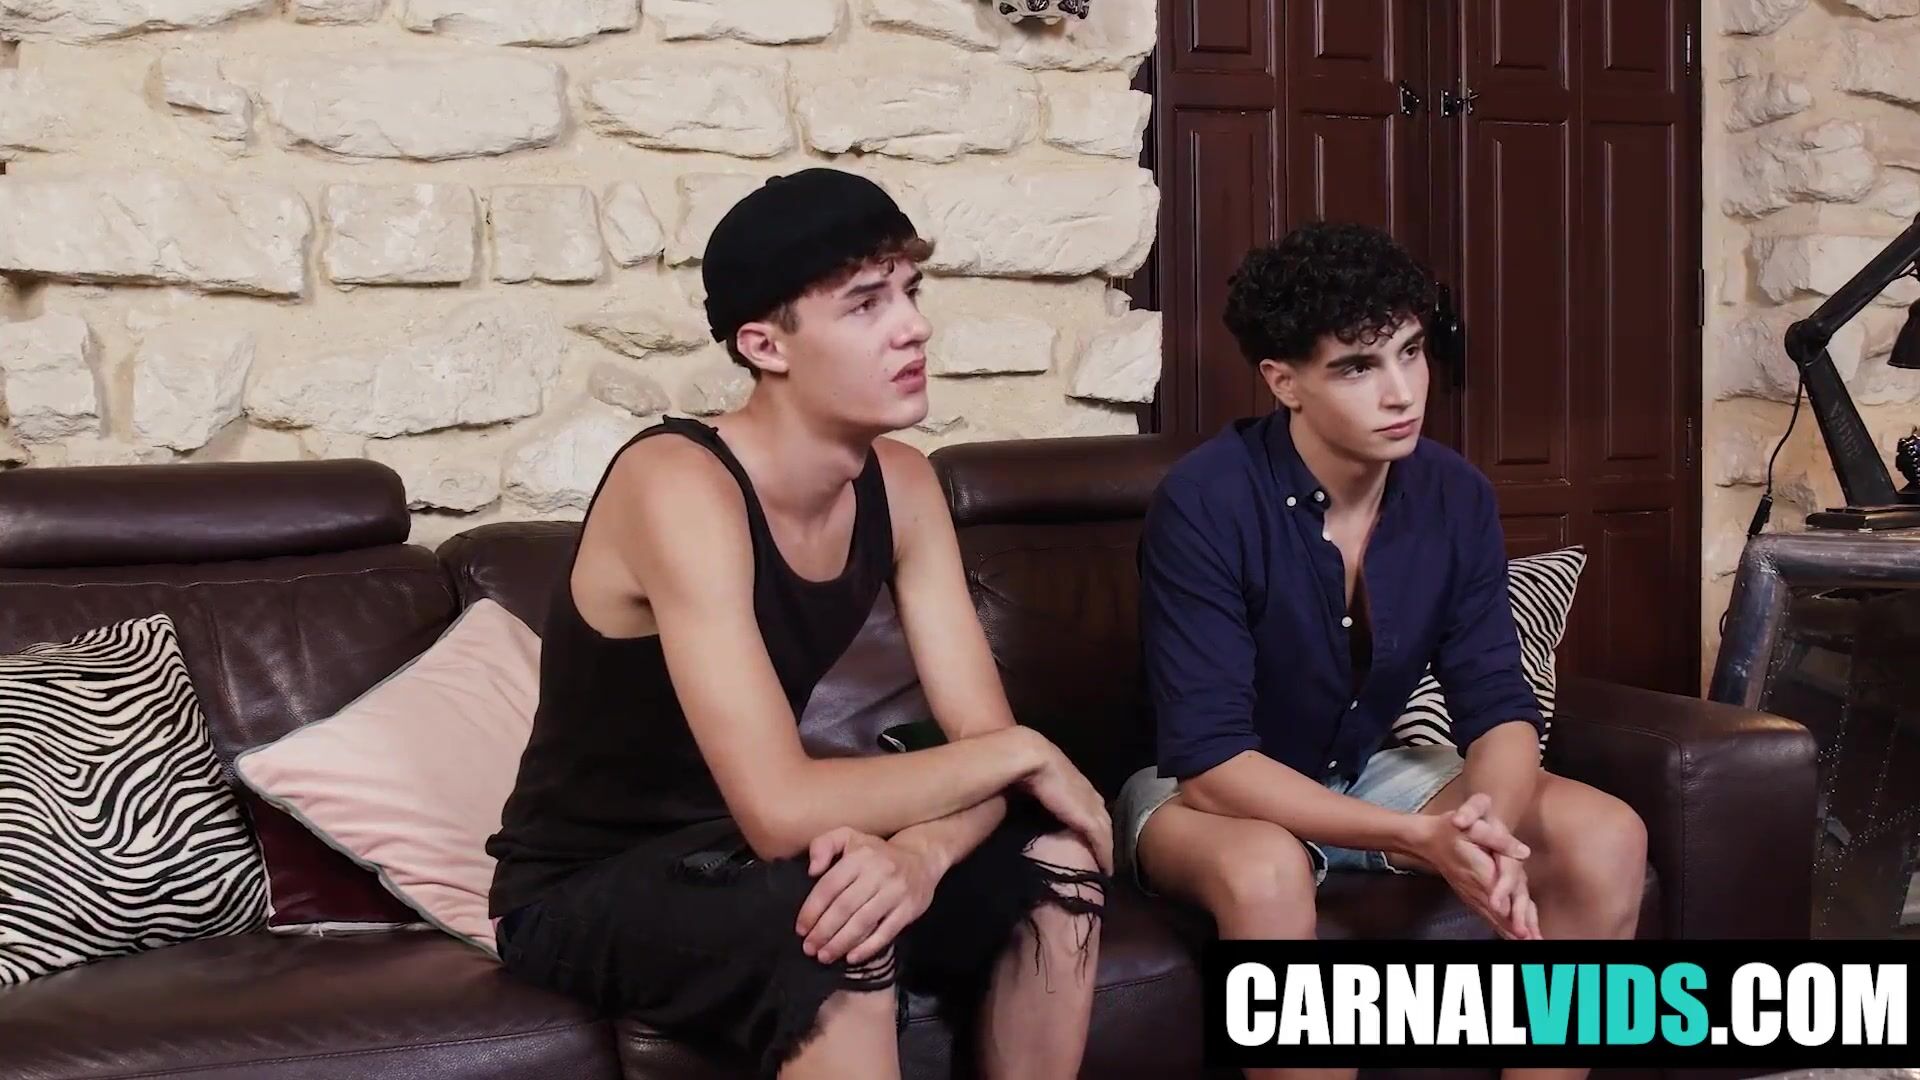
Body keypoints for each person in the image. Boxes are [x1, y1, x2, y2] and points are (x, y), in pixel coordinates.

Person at [486, 168, 1110, 1080]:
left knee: (1057, 863)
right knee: (835, 921)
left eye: (911, 291)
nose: (913, 327)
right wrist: (1025, 752)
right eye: (865, 304)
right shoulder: (678, 484)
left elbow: (986, 745)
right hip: (589, 883)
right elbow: (782, 810)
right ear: (764, 345)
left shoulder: (903, 485)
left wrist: (924, 853)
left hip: (750, 854)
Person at [1113, 222, 1648, 1079]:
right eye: (1357, 367)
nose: (1401, 392)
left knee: (1606, 833)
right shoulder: (1206, 501)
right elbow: (1211, 762)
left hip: (1365, 766)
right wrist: (1416, 837)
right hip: (1204, 790)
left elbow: (1498, 707)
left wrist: (1487, 829)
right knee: (1268, 871)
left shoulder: (1453, 494)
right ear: (1283, 382)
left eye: (1411, 352)